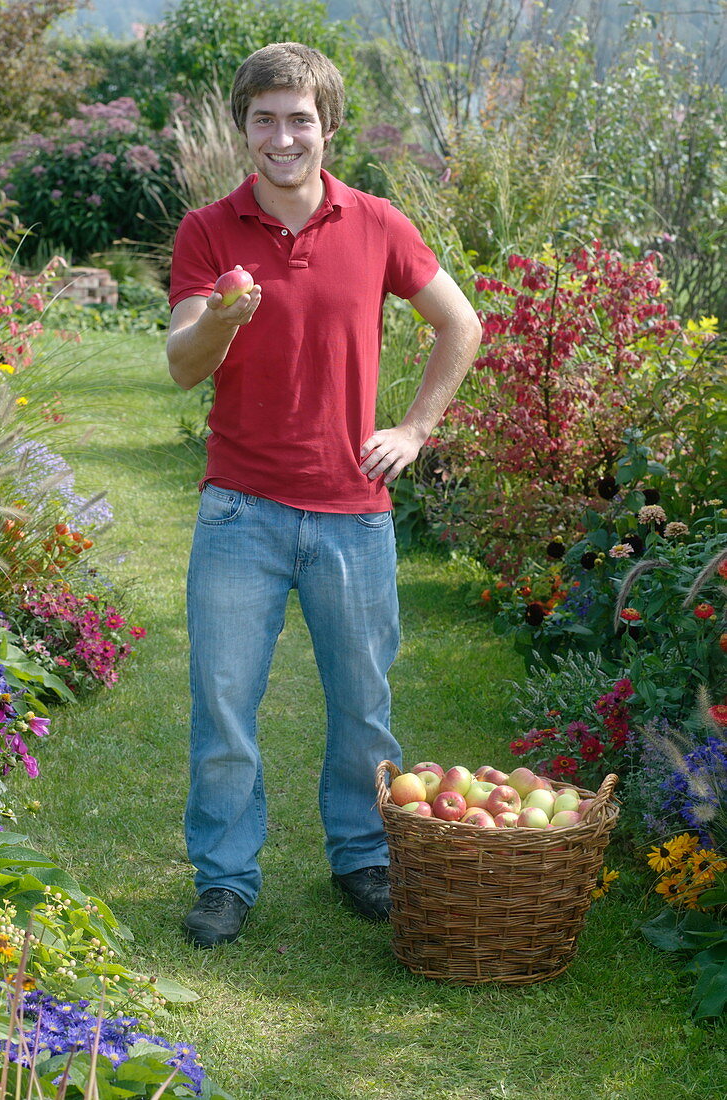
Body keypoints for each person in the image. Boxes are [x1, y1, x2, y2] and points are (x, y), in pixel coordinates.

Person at [166, 42, 482, 948]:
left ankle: (360, 858)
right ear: (245, 129)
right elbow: (183, 367)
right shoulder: (208, 232)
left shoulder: (378, 222)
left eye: (298, 118)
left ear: (327, 126)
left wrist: (415, 431)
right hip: (241, 510)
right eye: (264, 119)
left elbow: (460, 325)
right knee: (225, 706)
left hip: (353, 514)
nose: (282, 136)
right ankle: (225, 879)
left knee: (362, 707)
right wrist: (224, 315)